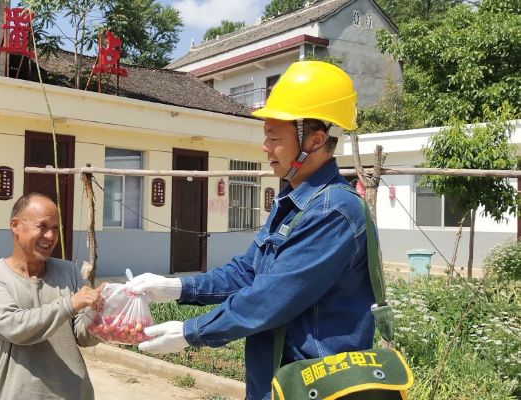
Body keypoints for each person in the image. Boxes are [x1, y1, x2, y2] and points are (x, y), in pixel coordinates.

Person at [130, 61, 376, 400]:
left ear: (315, 140)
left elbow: (269, 298)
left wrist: (191, 332)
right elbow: (248, 272)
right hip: (276, 384)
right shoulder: (294, 199)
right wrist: (176, 287)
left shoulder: (332, 210)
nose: (264, 147)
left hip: (315, 386)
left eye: (274, 137)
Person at [0, 193, 104, 400]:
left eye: (55, 229)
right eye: (42, 227)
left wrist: (100, 311)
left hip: (76, 393)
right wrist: (71, 304)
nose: (51, 237)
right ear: (15, 225)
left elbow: (83, 336)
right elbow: (15, 327)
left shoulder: (69, 271)